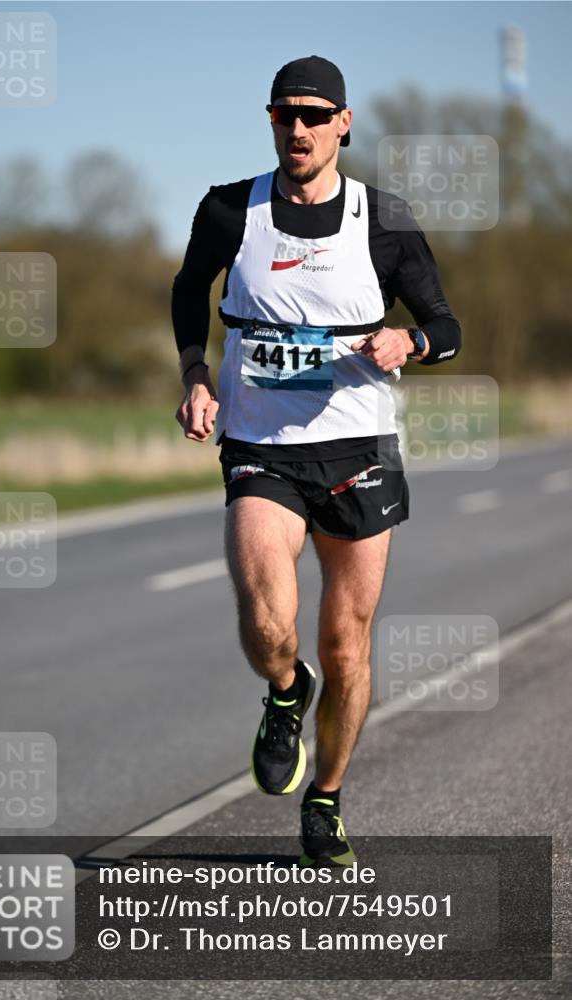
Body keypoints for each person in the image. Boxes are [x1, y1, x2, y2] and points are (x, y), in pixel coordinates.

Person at [172, 55, 461, 866]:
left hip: (357, 445)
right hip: (260, 444)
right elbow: (186, 289)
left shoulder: (384, 219)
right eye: (280, 114)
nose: (294, 128)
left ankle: (326, 797)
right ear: (268, 121)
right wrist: (196, 374)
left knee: (347, 644)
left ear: (342, 123)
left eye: (310, 114)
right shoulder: (231, 210)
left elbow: (445, 323)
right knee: (268, 617)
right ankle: (282, 690)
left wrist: (412, 340)